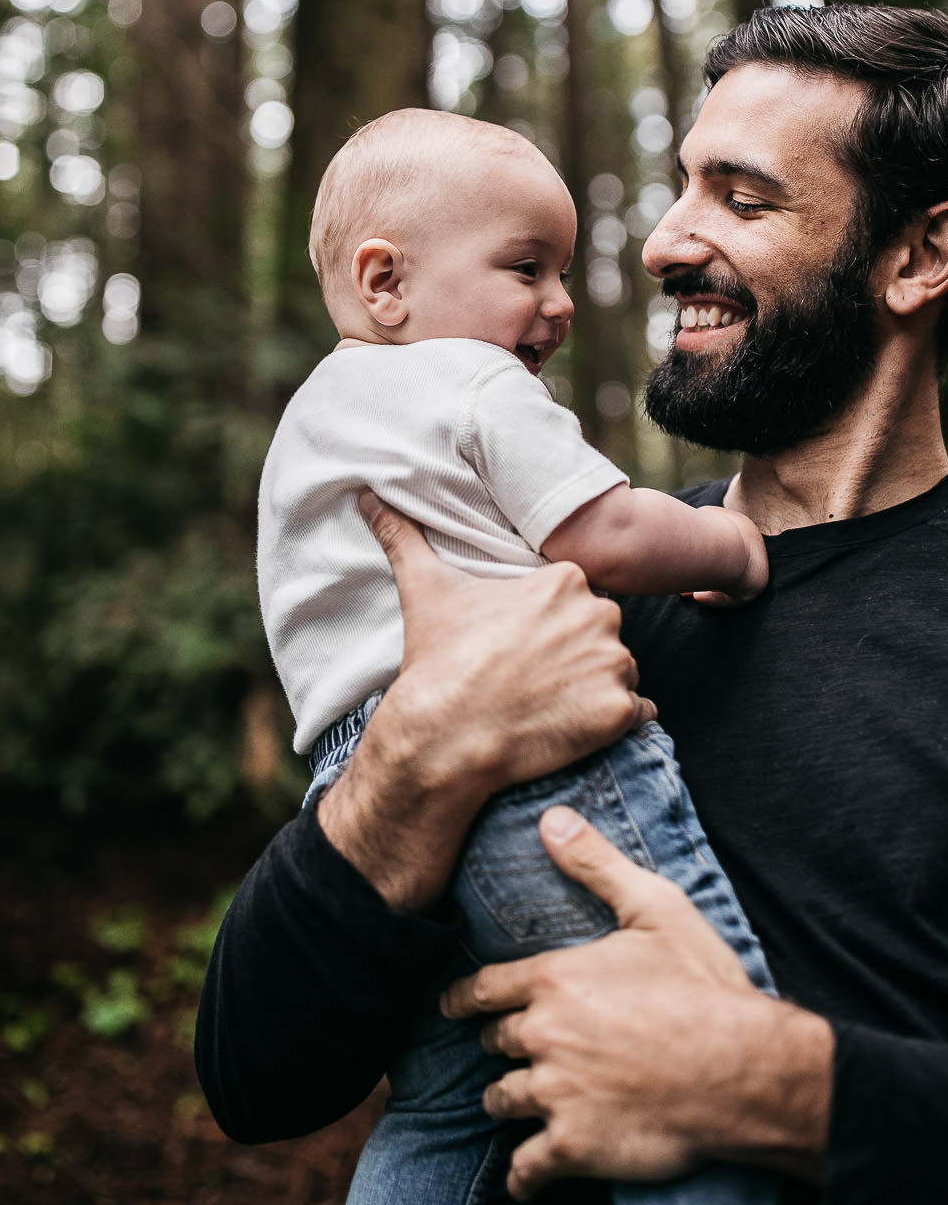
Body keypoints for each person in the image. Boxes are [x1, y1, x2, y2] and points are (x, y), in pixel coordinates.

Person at [196, 5, 948, 1205]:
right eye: (683, 186)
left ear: (917, 259)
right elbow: (253, 1080)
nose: (663, 244)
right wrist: (415, 762)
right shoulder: (538, 590)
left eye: (741, 201)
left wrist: (782, 1088)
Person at [257, 107, 776, 1205]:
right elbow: (599, 532)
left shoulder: (315, 420)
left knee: (450, 1102)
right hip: (536, 769)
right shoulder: (477, 383)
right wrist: (731, 548)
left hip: (352, 778)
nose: (558, 304)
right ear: (385, 282)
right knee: (708, 1054)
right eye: (525, 267)